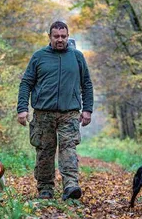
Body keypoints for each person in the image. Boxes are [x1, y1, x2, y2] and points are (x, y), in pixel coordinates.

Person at [17, 21, 93, 200]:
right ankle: (45, 188)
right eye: (56, 36)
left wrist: (87, 109)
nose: (60, 39)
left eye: (63, 36)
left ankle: (71, 185)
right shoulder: (39, 57)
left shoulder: (77, 57)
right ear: (50, 37)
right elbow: (26, 83)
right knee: (45, 151)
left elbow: (87, 84)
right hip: (43, 113)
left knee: (68, 149)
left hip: (70, 112)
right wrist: (22, 109)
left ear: (68, 36)